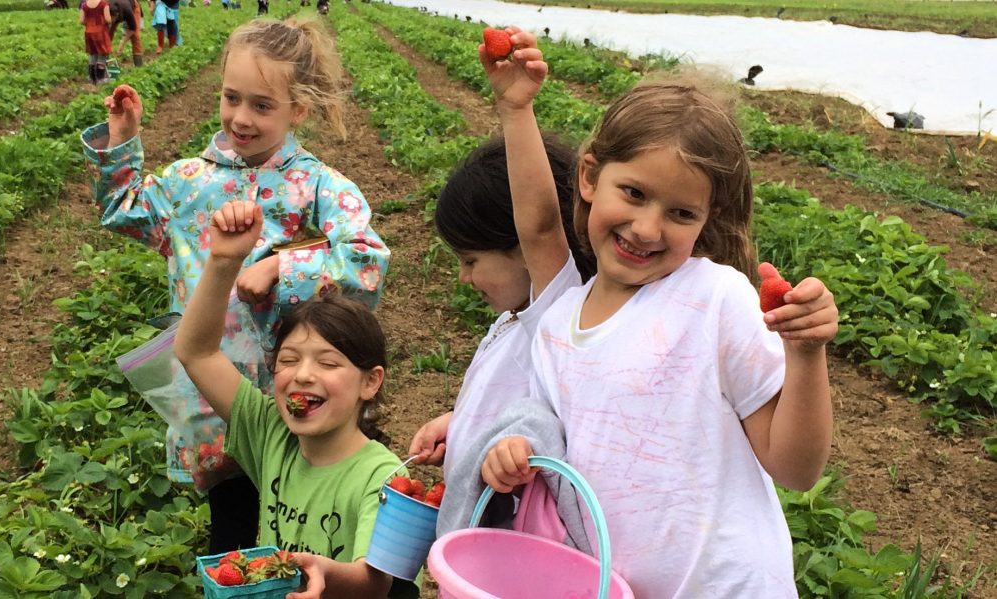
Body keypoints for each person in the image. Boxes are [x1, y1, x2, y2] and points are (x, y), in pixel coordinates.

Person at [480, 72, 839, 597]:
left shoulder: (714, 298)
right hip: (616, 587)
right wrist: (511, 451)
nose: (648, 228)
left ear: (706, 219)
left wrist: (806, 355)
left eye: (680, 213)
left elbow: (796, 469)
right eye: (634, 193)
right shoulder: (556, 328)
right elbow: (548, 443)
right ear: (589, 177)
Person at [80, 18, 389, 555]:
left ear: (299, 110)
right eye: (231, 98)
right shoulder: (187, 180)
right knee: (230, 520)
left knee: (297, 515)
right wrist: (123, 139)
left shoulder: (316, 185)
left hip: (293, 387)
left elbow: (366, 262)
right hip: (208, 388)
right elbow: (123, 209)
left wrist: (280, 269)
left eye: (263, 106)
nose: (242, 118)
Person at [407, 29, 595, 542]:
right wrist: (463, 424)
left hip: (516, 548)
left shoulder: (559, 310)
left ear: (521, 250)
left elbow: (539, 224)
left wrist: (514, 109)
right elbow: (514, 395)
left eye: (471, 259)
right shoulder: (516, 321)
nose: (464, 277)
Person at [174, 200, 402, 598]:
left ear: (370, 382)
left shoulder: (383, 477)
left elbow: (376, 582)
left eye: (328, 363)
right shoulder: (272, 435)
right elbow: (197, 352)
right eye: (289, 360)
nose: (303, 374)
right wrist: (224, 261)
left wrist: (320, 572)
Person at [80, 0, 112, 83]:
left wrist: (90, 23)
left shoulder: (84, 5)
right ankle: (100, 78)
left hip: (89, 32)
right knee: (102, 53)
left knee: (92, 53)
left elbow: (82, 21)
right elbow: (108, 19)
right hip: (101, 31)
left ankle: (92, 78)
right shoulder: (103, 4)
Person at [110, 0, 144, 67]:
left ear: (117, 15)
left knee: (135, 36)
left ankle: (138, 65)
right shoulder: (105, 7)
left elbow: (132, 28)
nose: (112, 21)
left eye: (113, 19)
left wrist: (121, 44)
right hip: (114, 10)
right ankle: (105, 59)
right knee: (108, 33)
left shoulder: (127, 9)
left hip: (133, 7)